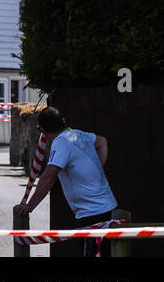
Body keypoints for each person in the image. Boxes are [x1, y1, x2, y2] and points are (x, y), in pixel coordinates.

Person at [13, 108, 119, 257]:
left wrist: (29, 206)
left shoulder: (61, 143)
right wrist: (98, 171)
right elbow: (102, 142)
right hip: (108, 208)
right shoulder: (79, 135)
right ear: (63, 122)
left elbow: (49, 177)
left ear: (42, 130)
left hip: (92, 214)